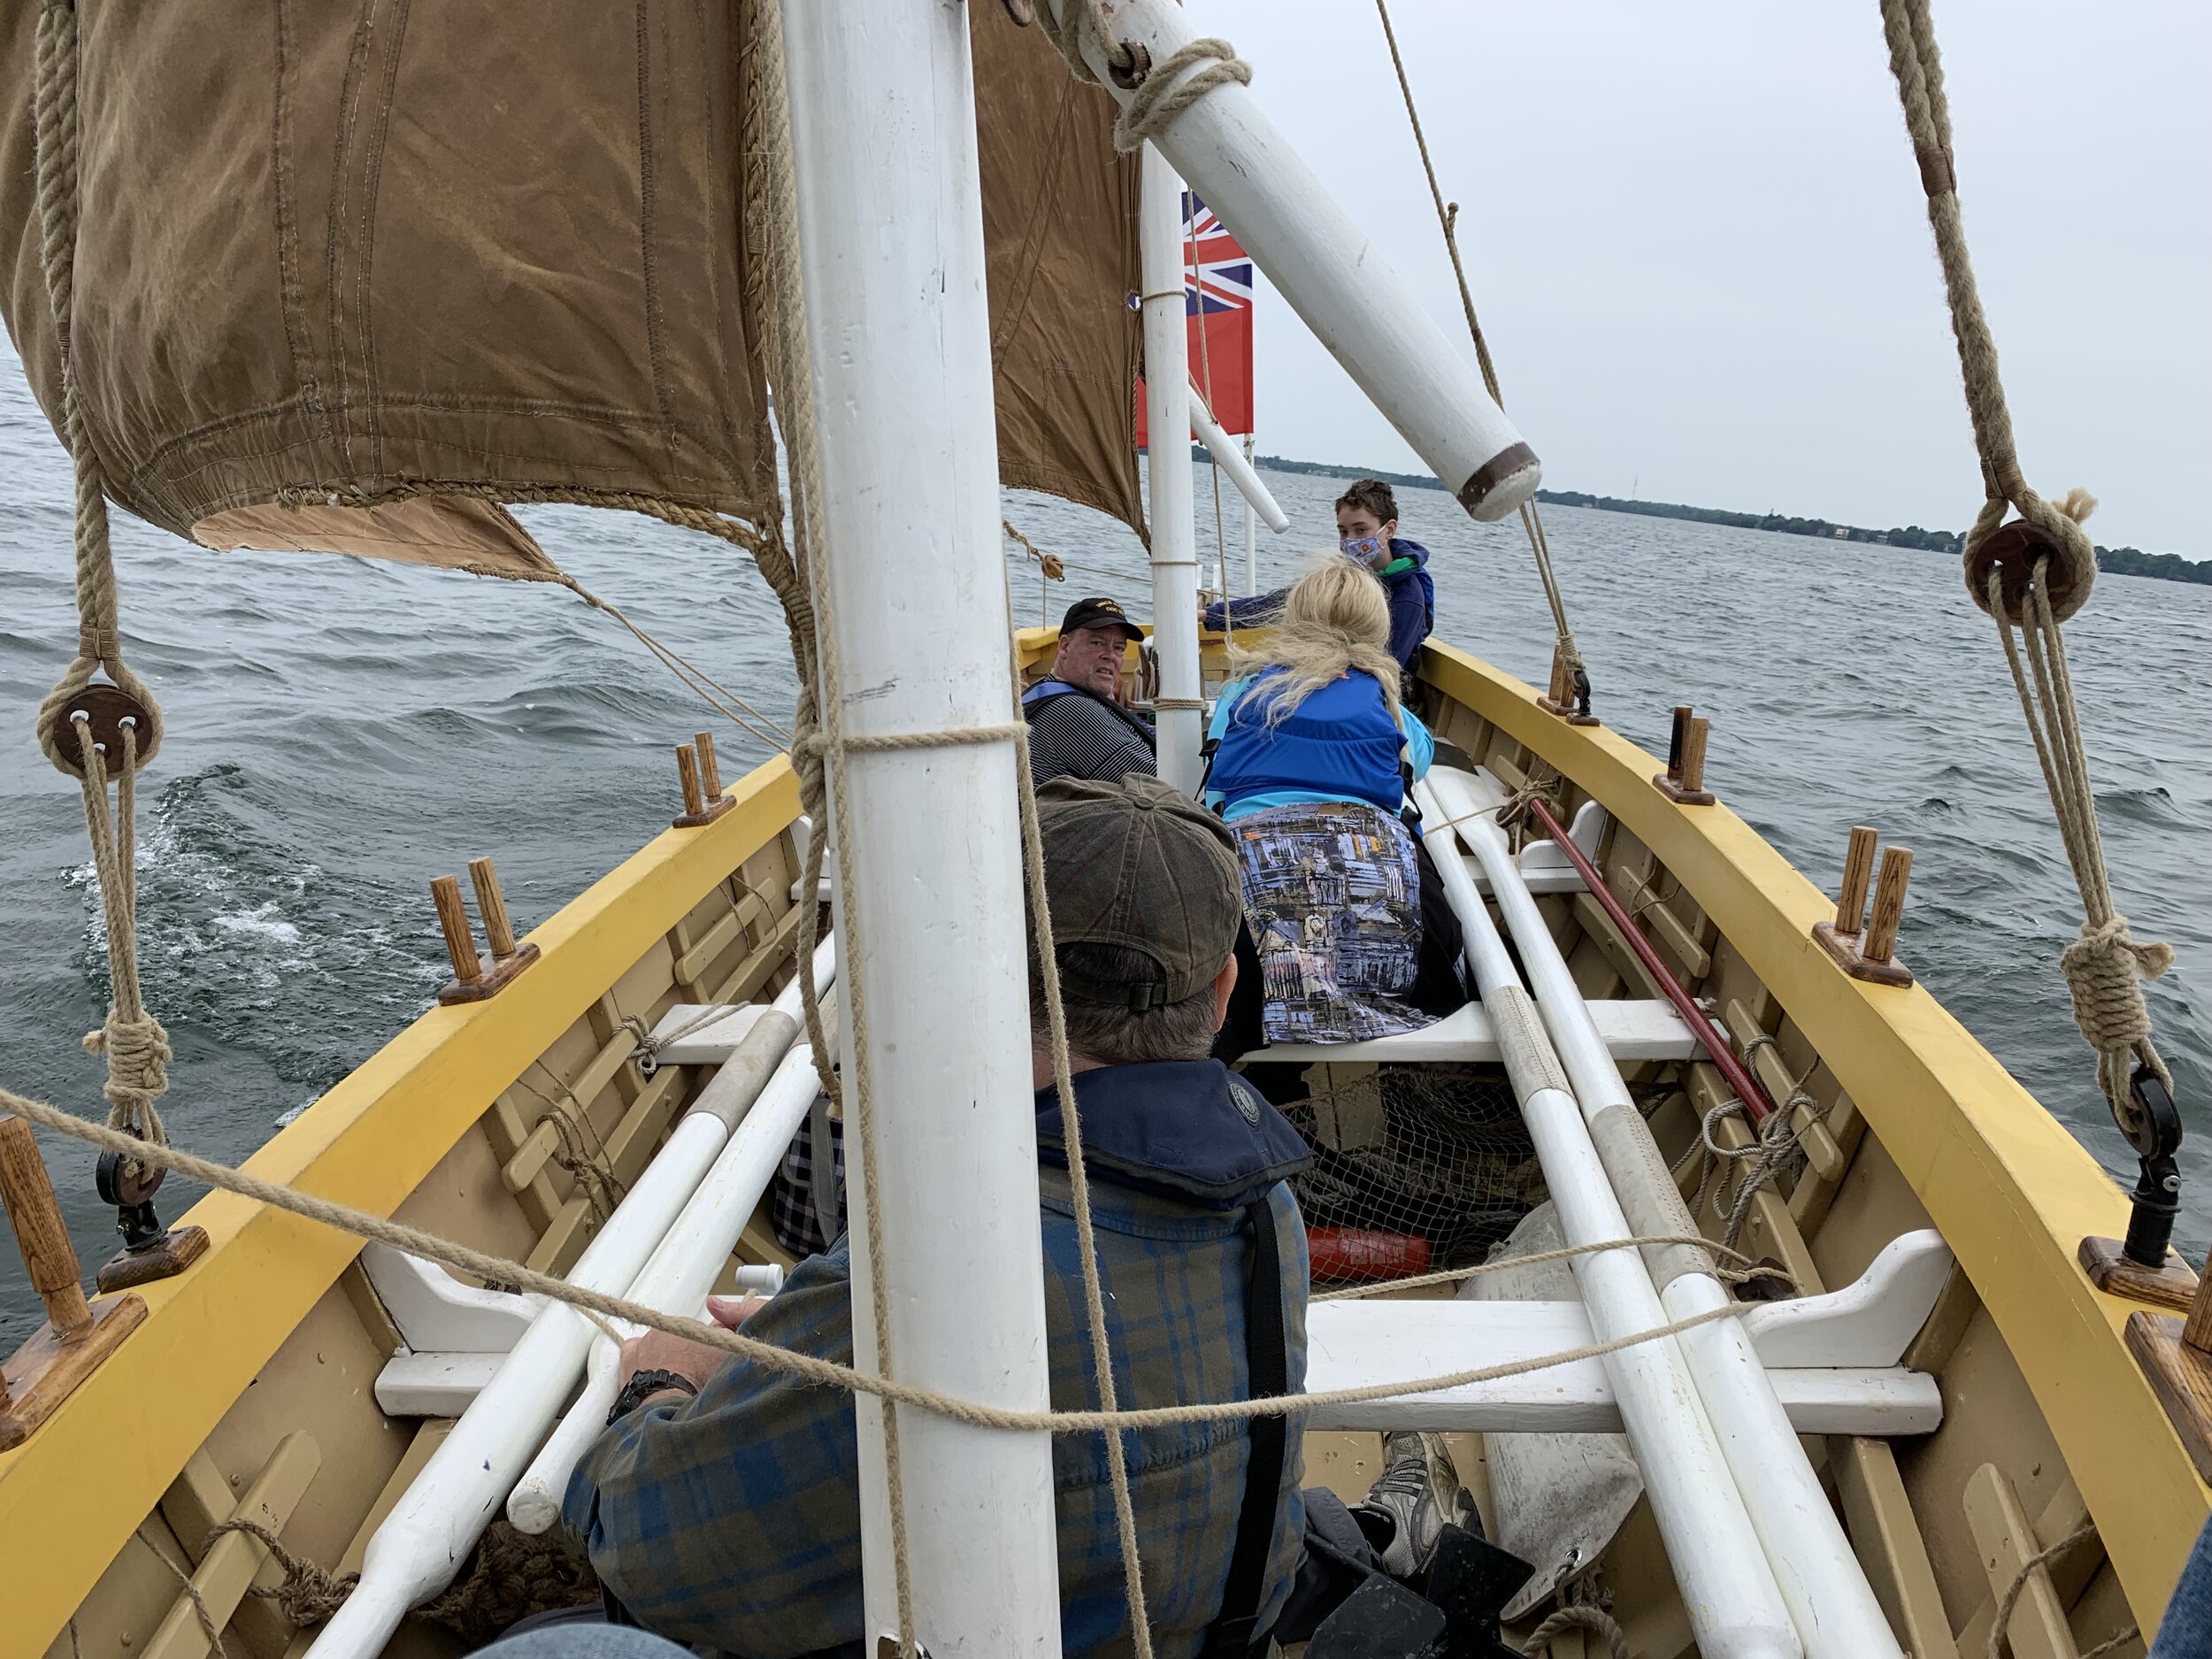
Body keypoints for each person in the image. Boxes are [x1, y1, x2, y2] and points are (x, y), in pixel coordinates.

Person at [563, 774, 1479, 1656]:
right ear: (1224, 990)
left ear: (990, 979)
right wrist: (824, 1351)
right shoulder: (1267, 1211)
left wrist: (661, 1381)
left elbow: (644, 1554)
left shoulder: (931, 1278)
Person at [1202, 560, 1466, 1064]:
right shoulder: (1389, 707)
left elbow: (1217, 772)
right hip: (1376, 880)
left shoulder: (1244, 692)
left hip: (1251, 886)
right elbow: (1418, 762)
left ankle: (1260, 1062)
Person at [1202, 479, 1434, 676]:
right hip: (1325, 672)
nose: (1350, 540)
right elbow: (1279, 602)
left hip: (1363, 688)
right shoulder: (1341, 575)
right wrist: (1211, 615)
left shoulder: (1408, 597)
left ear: (1389, 529)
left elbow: (1389, 667)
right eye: (1343, 531)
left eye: (1361, 530)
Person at [1024, 595, 1157, 786]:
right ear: (1065, 646)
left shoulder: (1049, 689)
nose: (1111, 656)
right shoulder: (1070, 711)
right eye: (1097, 643)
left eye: (1119, 648)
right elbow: (1157, 783)